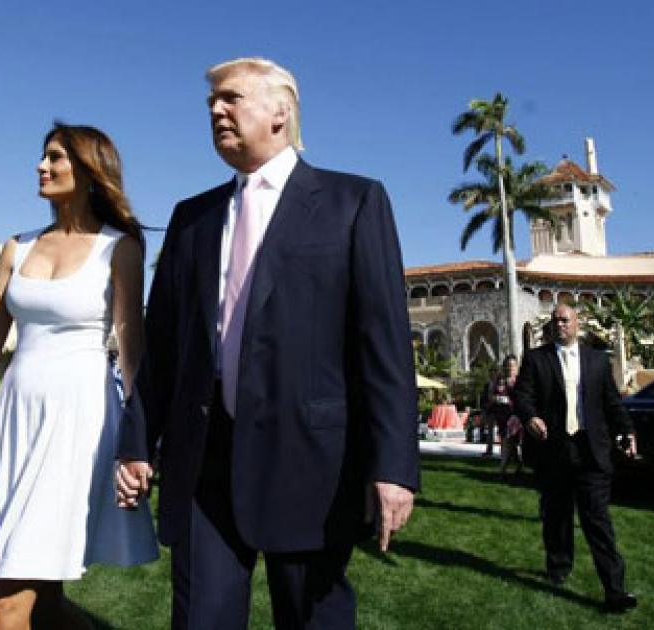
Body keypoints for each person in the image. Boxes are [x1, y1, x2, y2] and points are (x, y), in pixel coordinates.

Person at [117, 57, 420, 630]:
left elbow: (384, 348)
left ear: (280, 112)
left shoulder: (353, 202)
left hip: (313, 469)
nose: (215, 110)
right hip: (203, 466)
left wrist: (394, 467)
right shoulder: (192, 218)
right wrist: (137, 440)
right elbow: (163, 346)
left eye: (231, 98)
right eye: (211, 102)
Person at [0, 123, 158, 629]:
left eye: (56, 157)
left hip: (79, 423)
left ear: (89, 170)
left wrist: (141, 443)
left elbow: (132, 355)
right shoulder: (15, 248)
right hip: (17, 420)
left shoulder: (120, 248)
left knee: (7, 594)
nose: (42, 166)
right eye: (43, 157)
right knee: (45, 593)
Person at [513, 304, 639, 613]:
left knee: (598, 520)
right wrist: (530, 417)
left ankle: (614, 590)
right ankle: (558, 566)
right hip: (555, 449)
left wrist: (626, 431)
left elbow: (612, 402)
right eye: (555, 320)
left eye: (565, 320)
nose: (559, 325)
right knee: (557, 515)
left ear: (577, 324)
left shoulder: (597, 360)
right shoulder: (536, 359)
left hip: (591, 451)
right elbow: (522, 395)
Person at [487, 354, 523, 475]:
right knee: (508, 441)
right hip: (502, 415)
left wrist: (508, 400)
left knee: (509, 441)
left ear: (517, 366)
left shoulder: (520, 380)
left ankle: (502, 468)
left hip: (516, 416)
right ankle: (518, 465)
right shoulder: (499, 380)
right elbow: (490, 396)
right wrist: (496, 398)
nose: (510, 368)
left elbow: (523, 398)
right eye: (507, 365)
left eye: (512, 365)